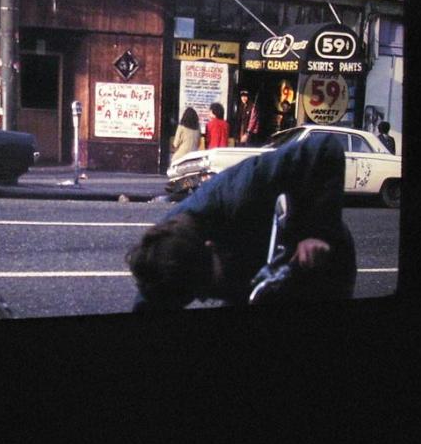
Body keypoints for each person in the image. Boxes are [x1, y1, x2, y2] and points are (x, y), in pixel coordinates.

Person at [126, 132, 357, 311]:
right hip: (251, 279)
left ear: (211, 245)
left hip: (319, 255)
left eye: (206, 284)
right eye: (197, 293)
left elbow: (323, 147)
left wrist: (316, 231)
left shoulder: (239, 190)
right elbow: (148, 301)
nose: (204, 298)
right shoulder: (164, 254)